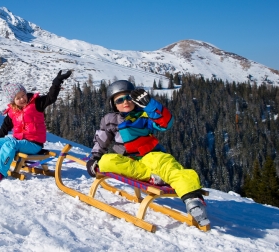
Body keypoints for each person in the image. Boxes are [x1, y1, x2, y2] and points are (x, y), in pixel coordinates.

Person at [86, 80, 210, 226]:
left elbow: (165, 123)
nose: (125, 102)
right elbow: (101, 140)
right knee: (106, 161)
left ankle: (192, 200)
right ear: (113, 104)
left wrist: (151, 105)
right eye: (119, 100)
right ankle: (152, 176)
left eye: (128, 98)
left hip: (150, 154)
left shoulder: (144, 115)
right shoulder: (109, 120)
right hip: (130, 161)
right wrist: (94, 158)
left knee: (169, 166)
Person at [0, 70, 72, 185]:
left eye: (23, 95)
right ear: (13, 100)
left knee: (10, 145)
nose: (22, 99)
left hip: (34, 144)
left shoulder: (36, 103)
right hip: (19, 140)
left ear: (25, 92)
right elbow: (6, 125)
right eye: (18, 98)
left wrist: (57, 82)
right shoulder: (13, 111)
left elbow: (51, 98)